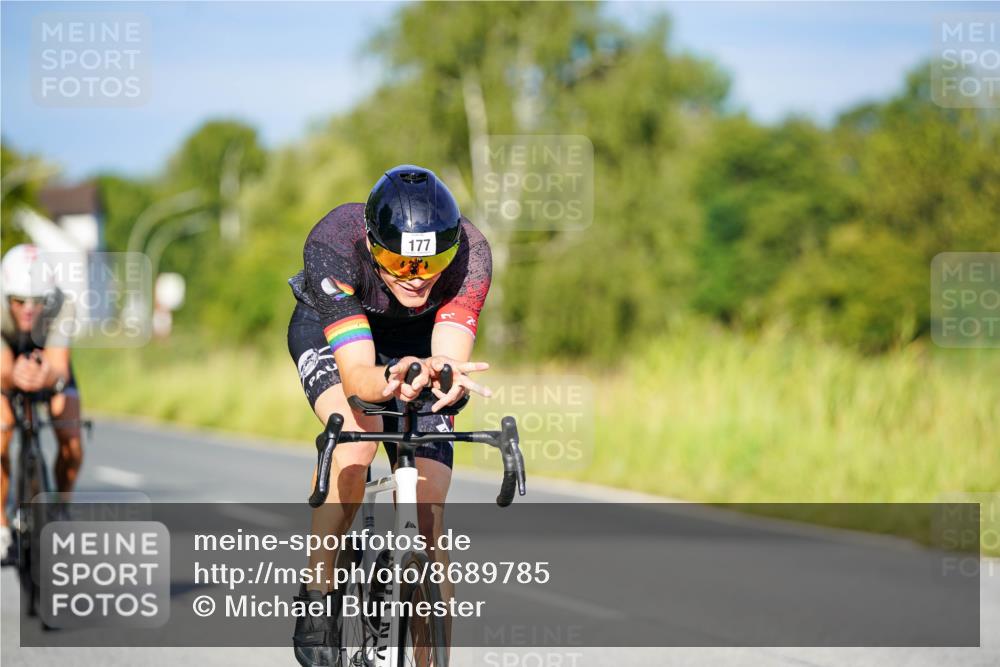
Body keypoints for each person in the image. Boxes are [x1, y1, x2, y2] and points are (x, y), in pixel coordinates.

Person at [287, 165, 492, 666]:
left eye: (431, 263)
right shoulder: (333, 243)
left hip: (419, 344)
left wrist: (441, 374)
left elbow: (447, 353)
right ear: (374, 245)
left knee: (430, 510)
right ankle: (319, 591)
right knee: (360, 435)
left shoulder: (472, 252)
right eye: (399, 263)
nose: (416, 278)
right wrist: (391, 377)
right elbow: (358, 375)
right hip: (339, 332)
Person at [0, 244, 82, 564]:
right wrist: (13, 377)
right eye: (20, 302)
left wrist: (48, 377)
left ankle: (60, 509)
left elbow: (60, 366)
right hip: (6, 361)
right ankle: (2, 524)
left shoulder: (63, 306)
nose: (29, 309)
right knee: (3, 426)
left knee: (71, 435)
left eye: (37, 302)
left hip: (46, 362)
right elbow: (4, 370)